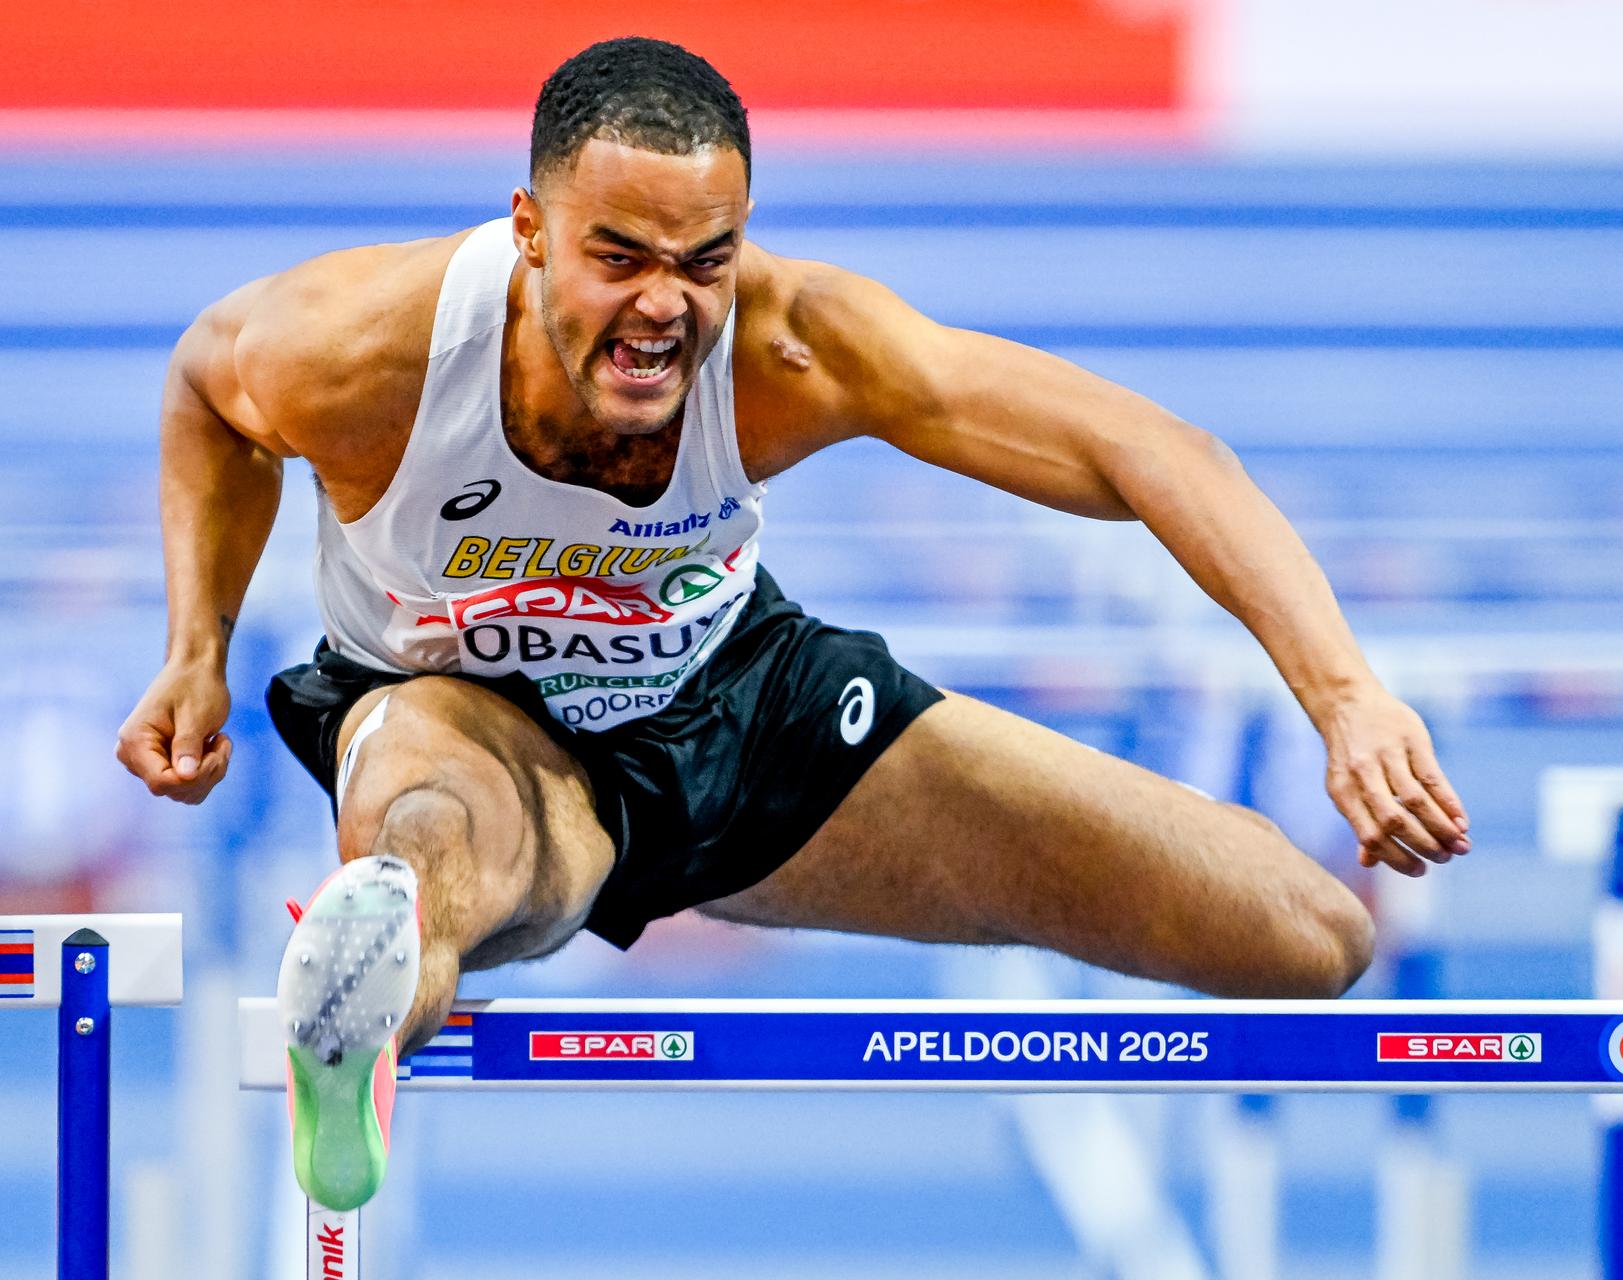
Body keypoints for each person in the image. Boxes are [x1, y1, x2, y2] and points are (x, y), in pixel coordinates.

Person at [115, 37, 1470, 1210]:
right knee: (436, 844)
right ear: (528, 229)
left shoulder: (792, 348)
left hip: (743, 704)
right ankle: (360, 1000)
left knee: (1305, 939)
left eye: (706, 260)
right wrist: (197, 645)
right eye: (620, 257)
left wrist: (1344, 693)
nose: (666, 308)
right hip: (455, 710)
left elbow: (1148, 448)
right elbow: (206, 396)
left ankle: (401, 938)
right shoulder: (360, 353)